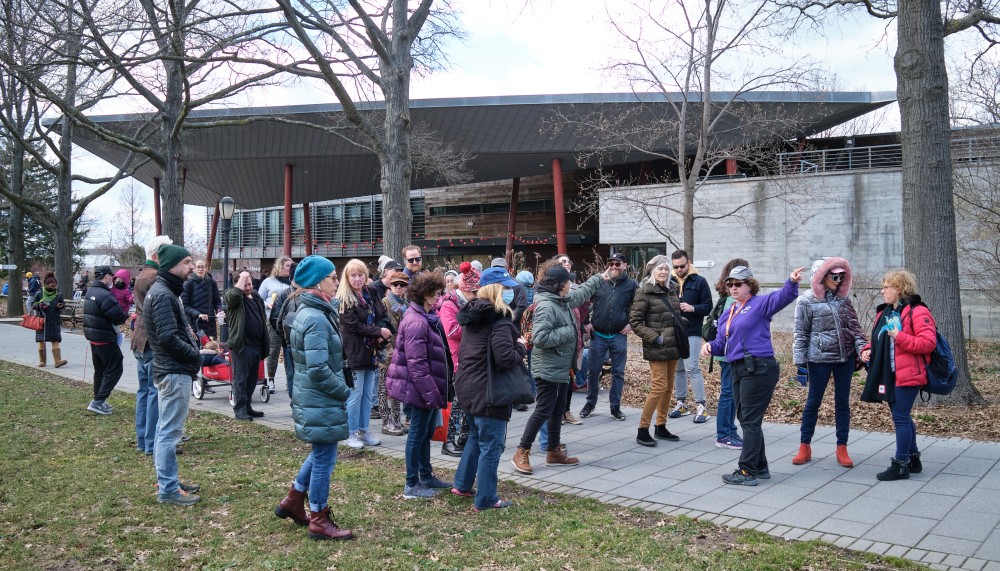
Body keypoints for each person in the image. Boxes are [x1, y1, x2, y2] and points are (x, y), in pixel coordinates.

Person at [701, 265, 805, 486]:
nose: (733, 288)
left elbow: (783, 296)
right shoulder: (730, 311)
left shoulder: (759, 304)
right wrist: (710, 346)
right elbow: (722, 343)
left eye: (738, 284)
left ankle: (747, 471)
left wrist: (792, 281)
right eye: (730, 284)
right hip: (738, 368)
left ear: (750, 285)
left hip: (759, 367)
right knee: (748, 419)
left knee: (749, 420)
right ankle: (760, 467)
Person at [273, 255, 354, 540]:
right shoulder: (315, 318)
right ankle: (318, 517)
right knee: (324, 458)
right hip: (319, 397)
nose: (337, 281)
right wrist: (344, 391)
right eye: (333, 277)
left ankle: (293, 500)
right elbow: (318, 369)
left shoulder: (316, 312)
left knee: (321, 452)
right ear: (319, 282)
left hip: (316, 397)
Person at [511, 261, 607, 475]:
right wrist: (568, 331)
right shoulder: (547, 306)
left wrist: (601, 277)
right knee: (543, 409)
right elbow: (540, 338)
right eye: (567, 282)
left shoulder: (560, 300)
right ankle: (521, 451)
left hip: (561, 366)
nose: (570, 285)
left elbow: (580, 294)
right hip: (547, 367)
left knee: (558, 408)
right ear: (558, 285)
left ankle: (554, 451)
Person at [452, 266, 524, 511]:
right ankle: (486, 498)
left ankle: (462, 484)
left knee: (475, 436)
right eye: (506, 289)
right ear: (497, 290)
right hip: (489, 391)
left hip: (468, 386)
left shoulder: (473, 315)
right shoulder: (500, 321)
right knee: (491, 446)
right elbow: (505, 358)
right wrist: (521, 347)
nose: (510, 293)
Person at [860, 269, 937, 482]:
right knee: (902, 415)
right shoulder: (884, 312)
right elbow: (878, 338)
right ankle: (913, 459)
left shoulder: (918, 311)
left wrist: (900, 337)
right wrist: (867, 349)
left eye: (887, 287)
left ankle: (901, 464)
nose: (882, 291)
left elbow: (928, 343)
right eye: (883, 286)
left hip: (910, 374)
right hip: (890, 373)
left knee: (900, 417)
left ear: (899, 289)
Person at [792, 257, 868, 468]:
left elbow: (855, 329)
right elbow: (801, 333)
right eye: (834, 276)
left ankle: (842, 447)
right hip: (819, 359)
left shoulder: (843, 300)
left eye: (841, 276)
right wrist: (800, 362)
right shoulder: (806, 300)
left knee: (842, 403)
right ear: (821, 277)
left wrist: (864, 350)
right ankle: (804, 446)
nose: (838, 280)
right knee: (813, 403)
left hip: (844, 359)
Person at [386, 271, 453, 499]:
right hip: (420, 388)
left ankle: (426, 476)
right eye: (436, 293)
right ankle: (411, 484)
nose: (439, 296)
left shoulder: (425, 316)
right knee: (417, 435)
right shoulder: (416, 321)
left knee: (423, 434)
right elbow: (417, 366)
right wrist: (432, 394)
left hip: (424, 387)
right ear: (424, 294)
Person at [144, 244, 201, 506]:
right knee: (169, 432)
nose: (192, 267)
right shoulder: (164, 294)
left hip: (171, 370)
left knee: (164, 430)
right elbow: (167, 337)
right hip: (173, 372)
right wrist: (195, 355)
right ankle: (167, 488)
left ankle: (168, 479)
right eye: (188, 262)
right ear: (172, 266)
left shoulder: (166, 290)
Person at [629, 255, 684, 446]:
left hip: (674, 345)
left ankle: (661, 426)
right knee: (659, 386)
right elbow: (635, 322)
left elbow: (672, 315)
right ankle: (642, 429)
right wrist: (655, 337)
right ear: (652, 271)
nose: (663, 272)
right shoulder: (644, 292)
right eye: (660, 269)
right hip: (657, 346)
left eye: (666, 269)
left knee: (669, 387)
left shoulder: (672, 290)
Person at [337, 258, 391, 449]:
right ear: (347, 277)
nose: (358, 279)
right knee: (355, 393)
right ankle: (350, 432)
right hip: (354, 352)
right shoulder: (344, 298)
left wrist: (382, 331)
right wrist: (377, 332)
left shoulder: (372, 292)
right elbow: (352, 325)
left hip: (372, 351)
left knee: (368, 394)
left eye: (360, 275)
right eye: (353, 275)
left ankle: (363, 429)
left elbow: (382, 315)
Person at [580, 252, 637, 421]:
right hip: (598, 335)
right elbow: (583, 301)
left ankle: (615, 407)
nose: (613, 267)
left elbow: (640, 306)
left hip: (619, 335)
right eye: (611, 263)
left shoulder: (632, 285)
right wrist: (586, 322)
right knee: (593, 371)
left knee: (618, 373)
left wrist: (631, 323)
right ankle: (590, 403)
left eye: (617, 264)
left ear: (625, 265)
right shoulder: (599, 282)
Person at [132, 236, 172, 455]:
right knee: (154, 393)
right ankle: (150, 442)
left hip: (141, 339)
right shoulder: (155, 277)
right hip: (150, 340)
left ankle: (143, 440)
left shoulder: (142, 275)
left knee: (144, 391)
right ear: (157, 256)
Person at [437, 262, 479, 457]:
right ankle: (449, 440)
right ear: (466, 291)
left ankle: (463, 436)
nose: (478, 296)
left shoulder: (467, 303)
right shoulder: (448, 304)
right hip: (457, 360)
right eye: (475, 292)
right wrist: (474, 322)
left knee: (468, 401)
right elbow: (452, 331)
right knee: (459, 402)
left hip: (469, 358)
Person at [668, 249, 714, 424]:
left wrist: (692, 308)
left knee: (692, 367)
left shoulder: (700, 281)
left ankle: (702, 406)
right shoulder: (668, 281)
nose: (679, 269)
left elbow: (708, 306)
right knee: (678, 368)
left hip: (692, 331)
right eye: (676, 266)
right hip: (673, 332)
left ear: (688, 263)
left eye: (682, 266)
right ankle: (681, 403)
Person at [710, 258, 750, 450]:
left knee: (732, 394)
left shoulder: (727, 298)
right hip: (728, 354)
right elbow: (731, 330)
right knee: (728, 393)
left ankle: (729, 430)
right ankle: (724, 434)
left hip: (728, 353)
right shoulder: (730, 301)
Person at [224, 269, 270, 421]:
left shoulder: (255, 297)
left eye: (250, 283)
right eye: (245, 284)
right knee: (241, 379)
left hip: (256, 345)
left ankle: (248, 406)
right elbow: (235, 296)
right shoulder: (232, 296)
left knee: (251, 379)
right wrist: (243, 276)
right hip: (242, 346)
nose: (249, 287)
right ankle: (239, 409)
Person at [83, 266, 129, 415]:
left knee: (100, 370)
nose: (113, 280)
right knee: (115, 368)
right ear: (108, 277)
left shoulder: (91, 292)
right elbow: (118, 317)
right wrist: (128, 315)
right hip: (105, 338)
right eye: (112, 277)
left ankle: (98, 400)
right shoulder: (104, 295)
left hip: (94, 337)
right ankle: (98, 401)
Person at [378, 270, 409, 436]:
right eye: (395, 284)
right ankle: (386, 421)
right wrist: (388, 349)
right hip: (387, 352)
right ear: (390, 285)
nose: (398, 287)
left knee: (397, 388)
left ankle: (396, 419)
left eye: (402, 285)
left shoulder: (407, 304)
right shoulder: (384, 303)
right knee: (383, 388)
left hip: (401, 352)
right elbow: (381, 327)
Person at [259, 256, 294, 394]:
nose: (290, 268)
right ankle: (271, 380)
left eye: (291, 266)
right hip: (272, 320)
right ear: (279, 267)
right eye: (287, 265)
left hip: (289, 321)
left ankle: (289, 380)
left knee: (289, 351)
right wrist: (267, 304)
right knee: (274, 350)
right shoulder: (268, 282)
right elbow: (259, 298)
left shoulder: (292, 283)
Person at [270, 262, 299, 398]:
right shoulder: (284, 295)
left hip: (306, 343)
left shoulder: (309, 293)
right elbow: (275, 319)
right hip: (289, 344)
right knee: (292, 374)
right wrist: (285, 335)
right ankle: (295, 405)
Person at [28, 273, 68, 368]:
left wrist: (61, 306)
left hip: (54, 320)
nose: (53, 288)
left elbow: (63, 304)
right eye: (51, 286)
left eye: (55, 286)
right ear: (46, 285)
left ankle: (57, 361)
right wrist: (39, 305)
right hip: (42, 320)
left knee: (55, 340)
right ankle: (42, 361)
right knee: (42, 340)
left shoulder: (58, 294)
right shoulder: (39, 293)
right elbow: (32, 304)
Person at [182, 259, 222, 340]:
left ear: (206, 268)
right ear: (194, 268)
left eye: (202, 267)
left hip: (210, 323)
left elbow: (217, 301)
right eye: (198, 267)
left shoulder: (212, 282)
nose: (200, 269)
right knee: (199, 349)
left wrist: (220, 311)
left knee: (212, 348)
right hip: (195, 323)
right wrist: (198, 314)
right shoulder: (188, 283)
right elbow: (184, 306)